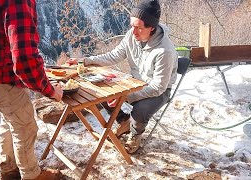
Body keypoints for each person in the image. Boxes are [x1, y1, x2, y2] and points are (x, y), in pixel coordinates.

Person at [0, 0, 63, 179]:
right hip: (1, 76)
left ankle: (8, 168)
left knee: (10, 118)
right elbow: (25, 61)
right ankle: (32, 175)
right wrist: (51, 91)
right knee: (25, 126)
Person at [68, 0, 178, 154]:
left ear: (152, 27)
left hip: (158, 91)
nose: (133, 32)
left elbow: (158, 87)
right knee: (103, 91)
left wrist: (125, 96)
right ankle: (123, 120)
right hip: (136, 83)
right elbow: (114, 56)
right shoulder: (132, 35)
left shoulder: (165, 51)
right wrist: (86, 61)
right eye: (132, 26)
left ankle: (135, 134)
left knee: (139, 111)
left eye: (139, 28)